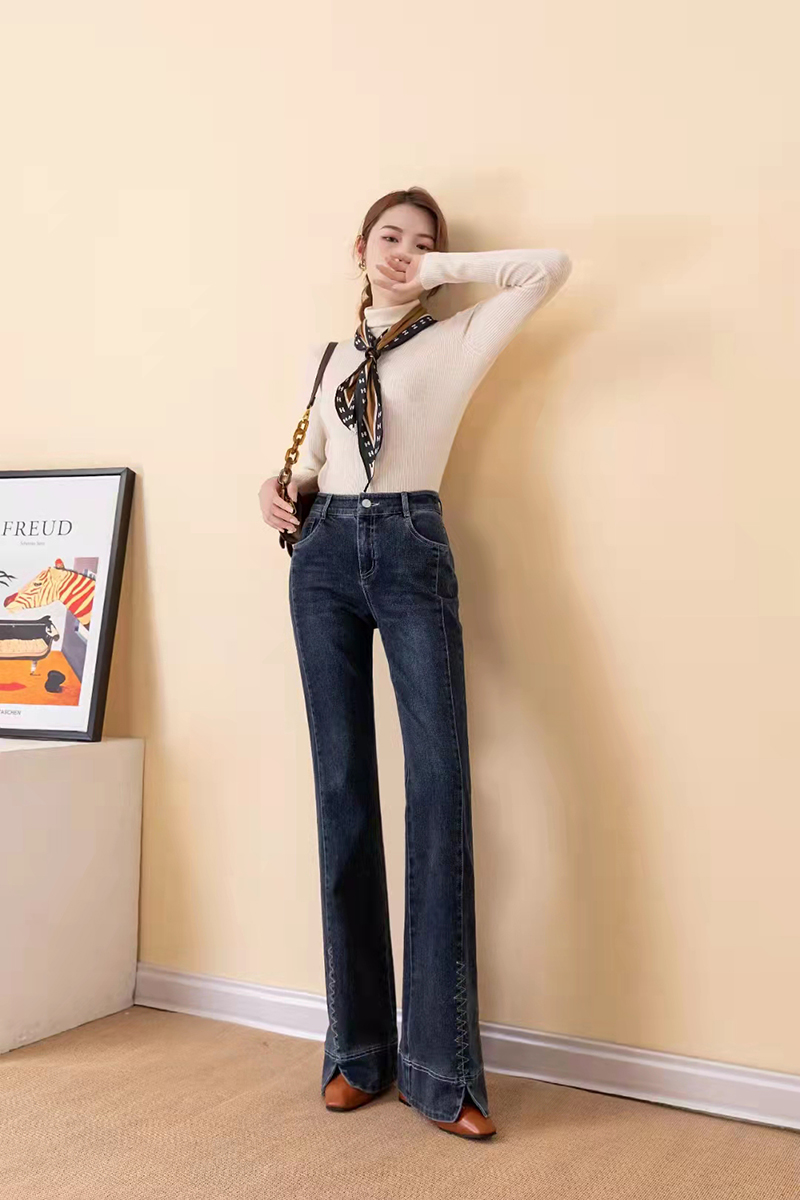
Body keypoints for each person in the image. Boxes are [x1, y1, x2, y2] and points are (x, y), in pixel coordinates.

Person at [259, 187, 572, 1140]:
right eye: (390, 237)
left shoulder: (459, 337)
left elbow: (547, 270)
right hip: (321, 557)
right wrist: (280, 485)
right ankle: (357, 1052)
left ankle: (443, 1070)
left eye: (423, 243)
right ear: (359, 245)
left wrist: (436, 273)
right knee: (342, 794)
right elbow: (315, 457)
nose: (404, 251)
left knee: (438, 791)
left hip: (409, 548)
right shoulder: (330, 356)